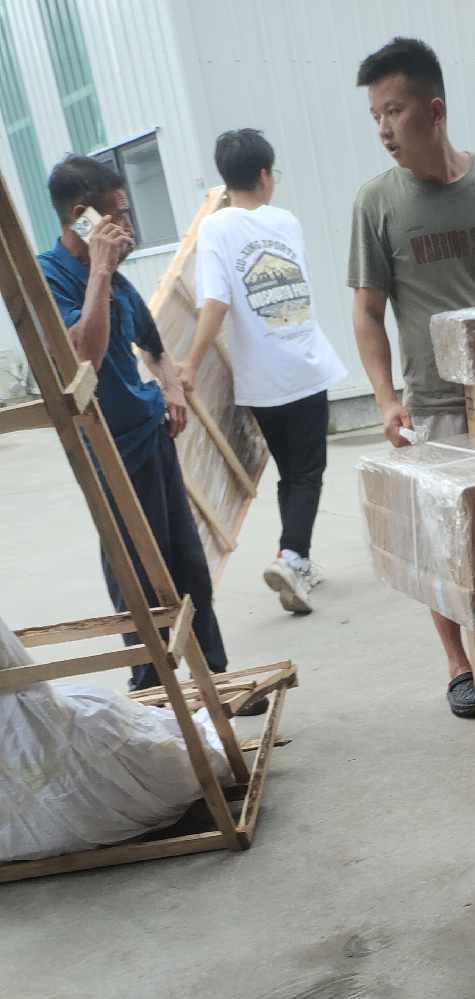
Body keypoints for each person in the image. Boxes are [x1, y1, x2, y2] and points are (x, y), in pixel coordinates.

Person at [348, 35, 475, 719]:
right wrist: (385, 399)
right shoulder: (377, 202)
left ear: (434, 110)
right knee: (444, 543)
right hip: (433, 401)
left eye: (393, 111)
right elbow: (367, 312)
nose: (383, 129)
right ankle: (460, 665)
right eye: (375, 115)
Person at [38, 155, 231, 695]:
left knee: (187, 565)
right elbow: (83, 357)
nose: (129, 228)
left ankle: (215, 681)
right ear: (82, 216)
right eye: (118, 216)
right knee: (137, 576)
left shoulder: (119, 281)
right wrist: (98, 272)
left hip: (151, 436)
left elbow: (153, 345)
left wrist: (171, 387)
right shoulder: (49, 278)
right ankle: (152, 690)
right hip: (108, 452)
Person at [179, 128, 346, 617]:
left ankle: (296, 557)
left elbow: (215, 301)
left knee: (291, 471)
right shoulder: (285, 221)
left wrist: (191, 361)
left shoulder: (215, 227)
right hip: (305, 365)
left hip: (263, 380)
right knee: (307, 472)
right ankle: (291, 557)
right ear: (265, 175)